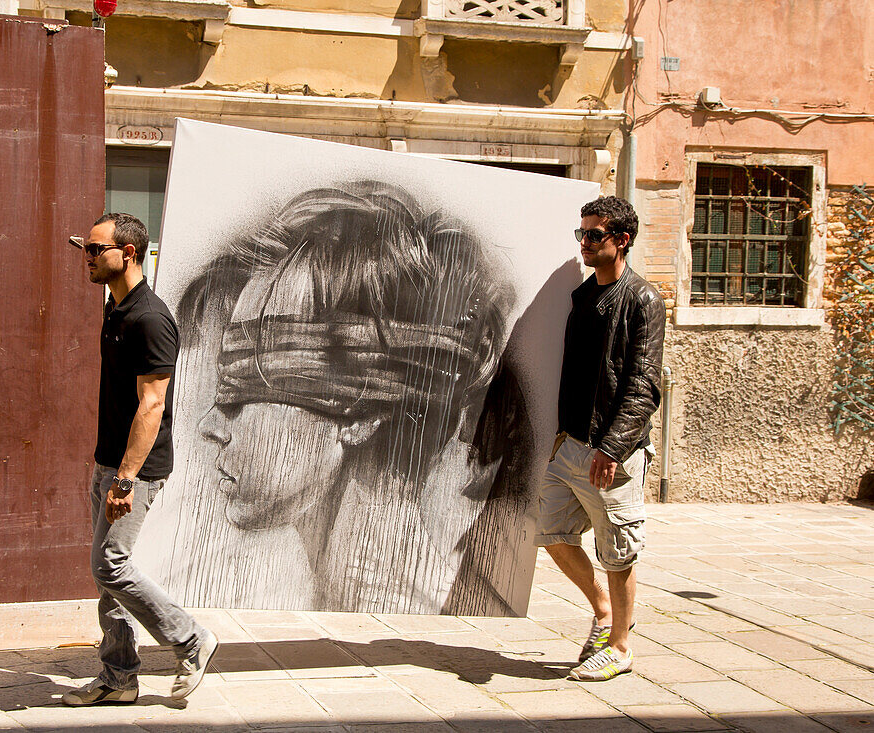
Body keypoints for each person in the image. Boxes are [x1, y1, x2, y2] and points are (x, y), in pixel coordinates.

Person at [180, 182, 532, 613]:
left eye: (243, 389)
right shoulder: (359, 600)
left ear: (361, 412)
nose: (211, 426)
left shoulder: (416, 618)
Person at [62, 212, 217, 705]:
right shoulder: (116, 307)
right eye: (83, 248)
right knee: (106, 573)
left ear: (127, 254)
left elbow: (153, 404)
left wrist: (124, 480)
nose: (85, 257)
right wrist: (109, 470)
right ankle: (118, 677)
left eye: (94, 249)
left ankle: (190, 639)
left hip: (135, 469)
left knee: (110, 564)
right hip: (108, 460)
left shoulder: (150, 318)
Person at [534, 195, 665, 682]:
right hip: (569, 443)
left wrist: (614, 446)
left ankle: (621, 647)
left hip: (614, 450)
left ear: (622, 240)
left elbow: (643, 384)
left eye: (594, 235)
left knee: (618, 548)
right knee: (545, 529)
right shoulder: (584, 297)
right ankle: (605, 611)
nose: (584, 243)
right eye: (581, 234)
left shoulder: (642, 300)